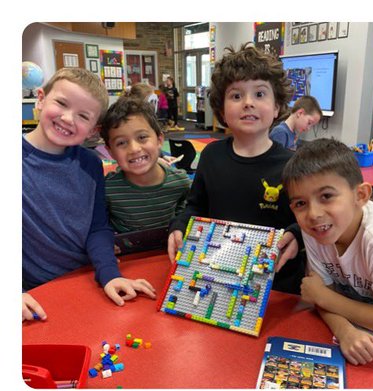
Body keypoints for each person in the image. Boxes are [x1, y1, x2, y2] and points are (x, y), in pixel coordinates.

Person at [21, 66, 157, 321]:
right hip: (38, 294)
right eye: (61, 103)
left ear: (93, 129)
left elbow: (97, 227)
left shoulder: (90, 164)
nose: (69, 119)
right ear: (40, 98)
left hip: (88, 279)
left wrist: (110, 274)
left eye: (83, 116)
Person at [166, 43, 303, 292]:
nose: (248, 103)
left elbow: (308, 219)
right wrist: (178, 226)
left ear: (276, 107)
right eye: (236, 96)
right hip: (218, 277)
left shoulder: (292, 165)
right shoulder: (211, 155)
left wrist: (296, 234)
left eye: (260, 94)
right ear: (221, 110)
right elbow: (196, 206)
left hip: (276, 285)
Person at [282, 138, 373, 365]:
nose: (313, 214)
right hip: (354, 334)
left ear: (361, 195)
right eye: (300, 203)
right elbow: (318, 296)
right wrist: (344, 331)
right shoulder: (314, 231)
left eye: (326, 196)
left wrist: (323, 296)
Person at [98, 97, 190, 234]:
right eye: (121, 143)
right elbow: (100, 227)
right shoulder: (107, 189)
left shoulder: (181, 182)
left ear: (159, 140)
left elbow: (184, 215)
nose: (134, 149)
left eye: (142, 137)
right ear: (110, 151)